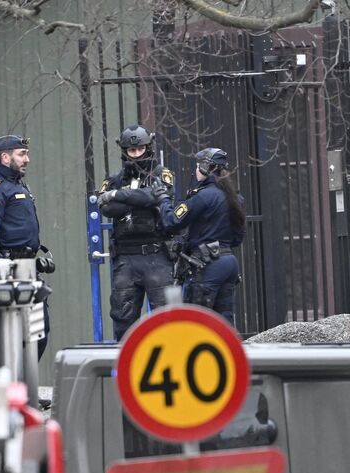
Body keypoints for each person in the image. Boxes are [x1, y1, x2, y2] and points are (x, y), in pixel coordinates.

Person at [97, 125, 178, 340]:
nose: (135, 154)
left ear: (148, 148)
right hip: (126, 258)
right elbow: (107, 208)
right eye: (131, 150)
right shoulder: (113, 179)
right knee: (123, 320)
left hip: (157, 256)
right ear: (124, 150)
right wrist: (140, 199)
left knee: (166, 321)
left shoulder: (163, 174)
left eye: (140, 149)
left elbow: (159, 197)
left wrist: (119, 195)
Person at [155, 147, 244, 324]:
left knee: (196, 322)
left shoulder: (204, 196)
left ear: (205, 168)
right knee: (224, 323)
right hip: (229, 263)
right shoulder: (235, 197)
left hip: (208, 266)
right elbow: (237, 237)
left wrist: (163, 199)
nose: (195, 170)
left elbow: (172, 221)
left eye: (197, 166)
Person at [0, 134, 50, 356]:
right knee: (11, 334)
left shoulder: (20, 187)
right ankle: (13, 384)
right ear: (5, 157)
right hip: (11, 269)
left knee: (39, 331)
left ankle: (25, 384)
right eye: (22, 154)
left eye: (26, 154)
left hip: (29, 268)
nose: (27, 159)